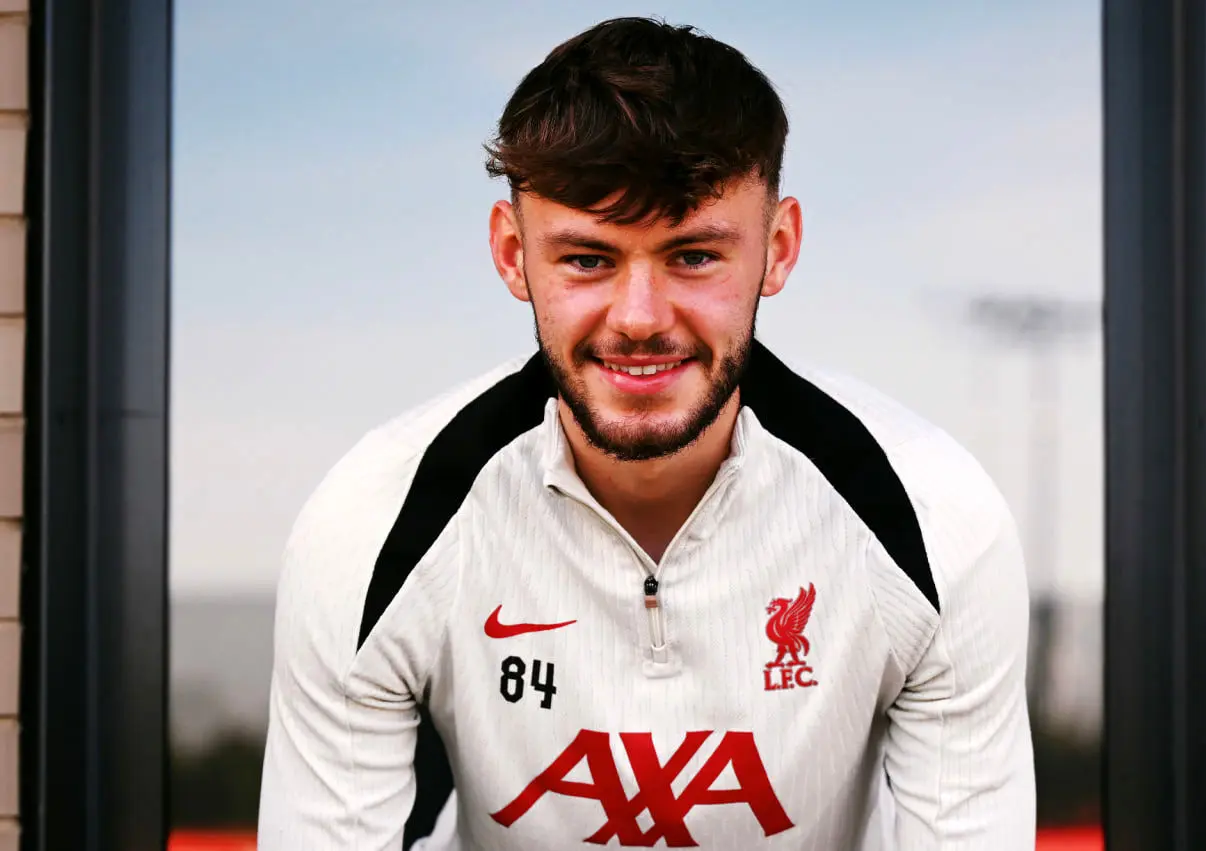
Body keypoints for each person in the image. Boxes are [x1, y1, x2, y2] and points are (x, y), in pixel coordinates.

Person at [257, 15, 1035, 851]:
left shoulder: (935, 520)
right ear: (512, 254)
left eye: (693, 256)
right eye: (588, 259)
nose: (638, 318)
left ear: (777, 249)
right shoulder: (373, 520)